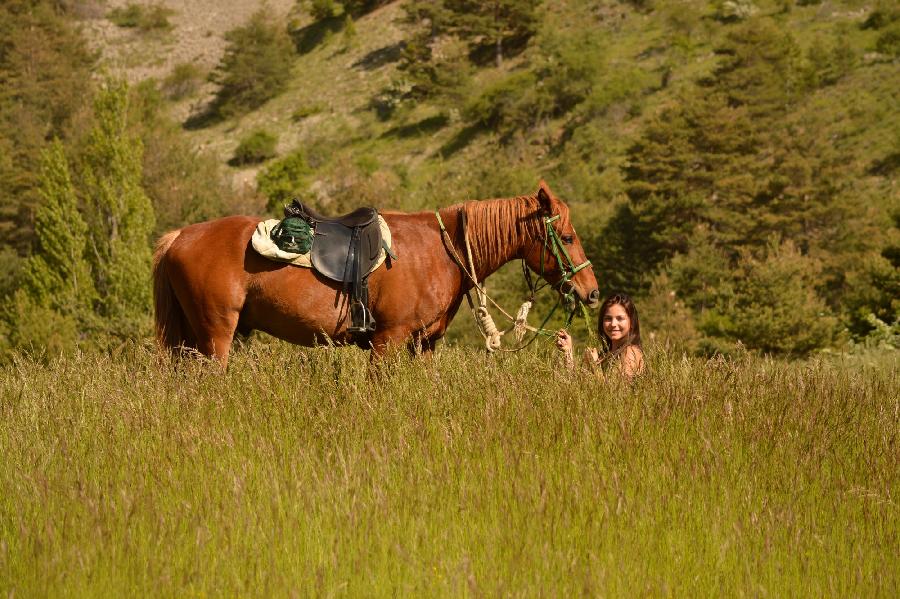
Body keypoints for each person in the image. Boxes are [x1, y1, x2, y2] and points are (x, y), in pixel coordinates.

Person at [555, 292, 644, 380]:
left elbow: (617, 390)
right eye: (608, 318)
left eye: (620, 318)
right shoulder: (605, 354)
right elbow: (577, 386)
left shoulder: (631, 352)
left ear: (631, 322)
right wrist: (568, 351)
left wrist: (593, 365)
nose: (613, 324)